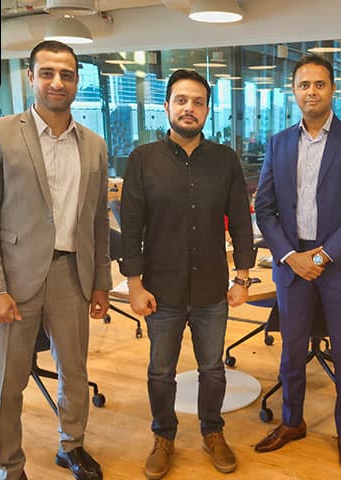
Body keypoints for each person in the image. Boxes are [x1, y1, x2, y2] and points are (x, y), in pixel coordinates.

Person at [0, 40, 112, 480]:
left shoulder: (94, 145)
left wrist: (101, 281)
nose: (57, 82)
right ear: (30, 76)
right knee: (8, 382)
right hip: (14, 280)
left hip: (73, 275)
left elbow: (97, 221)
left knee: (75, 372)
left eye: (67, 74)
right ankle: (10, 466)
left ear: (77, 81)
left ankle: (72, 446)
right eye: (47, 73)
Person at [119, 69, 254, 480]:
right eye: (181, 100)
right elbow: (131, 227)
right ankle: (163, 436)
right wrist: (135, 285)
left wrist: (242, 277)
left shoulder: (224, 160)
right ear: (166, 107)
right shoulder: (143, 160)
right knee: (161, 371)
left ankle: (213, 432)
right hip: (161, 290)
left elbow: (240, 222)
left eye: (197, 102)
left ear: (207, 110)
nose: (189, 108)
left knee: (212, 368)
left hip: (212, 287)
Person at [253, 54, 341, 476]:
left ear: (332, 90)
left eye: (319, 84)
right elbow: (265, 208)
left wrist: (323, 256)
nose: (312, 91)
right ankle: (293, 421)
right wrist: (291, 256)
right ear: (293, 91)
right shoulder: (278, 143)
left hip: (338, 263)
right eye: (304, 85)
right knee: (291, 350)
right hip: (292, 263)